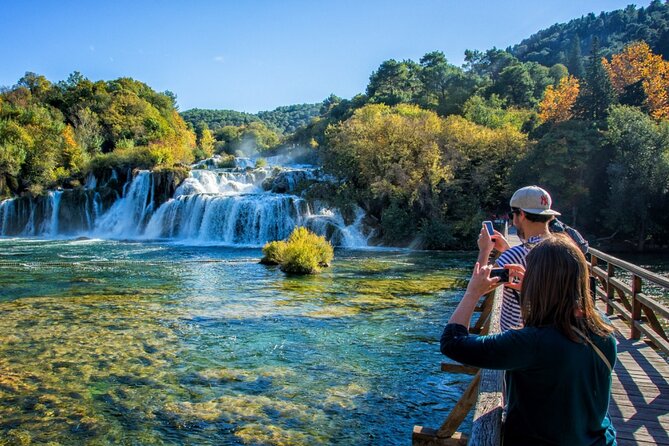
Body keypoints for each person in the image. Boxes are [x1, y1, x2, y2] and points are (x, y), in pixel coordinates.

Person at [441, 234, 617, 445]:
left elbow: (452, 342)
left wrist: (472, 292)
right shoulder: (603, 328)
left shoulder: (531, 344)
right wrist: (532, 293)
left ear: (539, 281)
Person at [477, 185, 561, 331]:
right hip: (552, 334)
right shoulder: (564, 249)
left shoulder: (517, 255)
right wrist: (507, 250)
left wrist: (484, 250)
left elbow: (479, 287)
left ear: (521, 214)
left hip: (519, 339)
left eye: (512, 215)